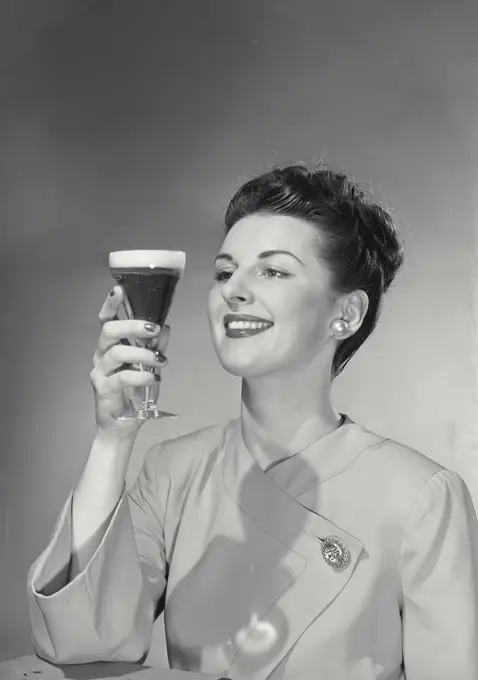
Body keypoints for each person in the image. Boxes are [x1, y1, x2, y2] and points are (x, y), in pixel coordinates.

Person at [27, 164, 478, 679]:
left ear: (347, 314)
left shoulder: (423, 497)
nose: (234, 290)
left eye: (274, 271)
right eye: (224, 272)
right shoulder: (173, 471)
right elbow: (83, 644)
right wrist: (112, 437)